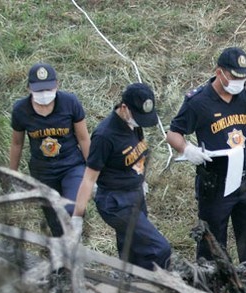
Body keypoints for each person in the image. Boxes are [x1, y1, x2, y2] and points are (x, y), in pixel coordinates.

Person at [166, 47, 246, 263]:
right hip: (216, 183)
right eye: (234, 77)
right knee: (212, 244)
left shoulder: (245, 95)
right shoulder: (198, 102)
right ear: (219, 72)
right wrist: (187, 149)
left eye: (243, 78)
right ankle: (212, 286)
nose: (239, 82)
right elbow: (173, 133)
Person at [71, 82, 172, 271]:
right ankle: (160, 286)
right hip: (116, 202)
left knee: (133, 250)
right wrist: (77, 217)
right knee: (159, 249)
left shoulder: (133, 124)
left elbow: (138, 153)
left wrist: (141, 181)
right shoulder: (104, 136)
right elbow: (88, 178)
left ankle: (132, 287)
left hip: (135, 194)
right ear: (124, 108)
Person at [10, 62, 90, 236]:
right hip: (42, 171)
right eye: (38, 91)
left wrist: (94, 172)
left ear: (57, 85)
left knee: (71, 209)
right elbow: (17, 143)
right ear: (29, 89)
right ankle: (64, 256)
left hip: (71, 165)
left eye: (48, 89)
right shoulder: (20, 110)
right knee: (55, 221)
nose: (44, 95)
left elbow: (83, 138)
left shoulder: (70, 103)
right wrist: (13, 174)